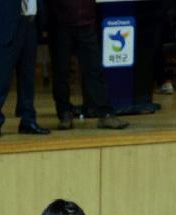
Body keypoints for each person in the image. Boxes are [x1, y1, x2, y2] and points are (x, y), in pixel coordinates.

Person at [47, 0, 129, 130]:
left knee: (94, 69)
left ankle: (105, 114)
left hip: (86, 22)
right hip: (60, 23)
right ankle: (64, 114)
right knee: (61, 71)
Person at [0, 0, 50, 138]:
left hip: (31, 23)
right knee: (1, 77)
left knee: (28, 77)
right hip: (6, 23)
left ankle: (28, 120)